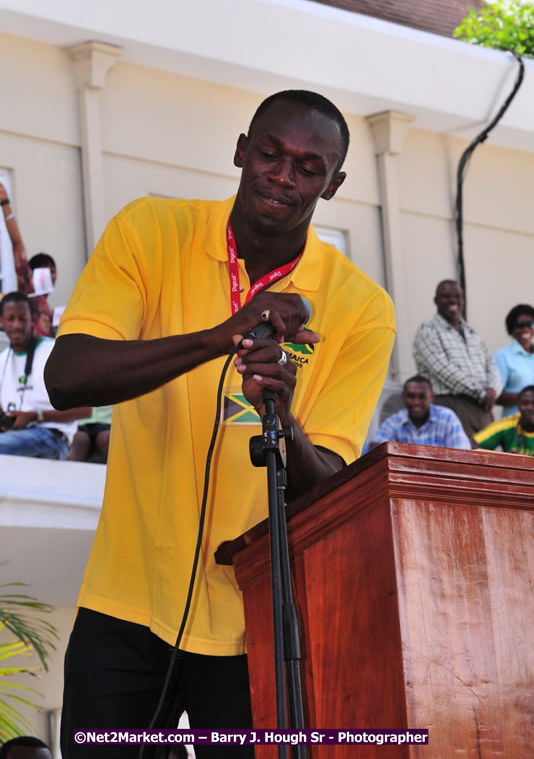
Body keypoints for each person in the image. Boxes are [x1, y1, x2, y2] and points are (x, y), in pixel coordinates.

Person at [44, 89, 396, 757]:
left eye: (308, 167)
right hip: (125, 604)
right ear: (240, 151)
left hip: (257, 622)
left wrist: (284, 418)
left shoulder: (362, 307)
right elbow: (67, 377)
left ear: (333, 184)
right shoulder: (149, 230)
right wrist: (220, 336)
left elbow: (329, 484)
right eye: (270, 153)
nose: (283, 175)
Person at [0, 291, 90, 458]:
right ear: (1, 321)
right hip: (13, 437)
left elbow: (86, 410)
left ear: (32, 319)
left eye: (22, 319)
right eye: (10, 319)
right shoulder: (2, 360)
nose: (17, 325)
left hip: (52, 436)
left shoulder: (53, 351)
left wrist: (36, 416)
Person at [412, 279, 502, 439]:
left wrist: (493, 390)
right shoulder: (427, 329)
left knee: (487, 454)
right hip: (450, 405)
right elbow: (443, 370)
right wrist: (482, 392)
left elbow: (491, 364)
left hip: (482, 407)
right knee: (462, 453)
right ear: (436, 300)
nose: (453, 300)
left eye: (457, 296)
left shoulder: (471, 332)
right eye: (446, 296)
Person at [0, 182, 56, 337]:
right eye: (47, 271)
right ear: (32, 273)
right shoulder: (29, 290)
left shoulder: (43, 304)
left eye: (53, 271)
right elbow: (17, 245)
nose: (52, 276)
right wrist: (5, 203)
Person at [369, 374, 470, 450]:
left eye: (422, 397)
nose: (416, 402)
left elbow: (462, 454)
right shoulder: (395, 421)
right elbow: (375, 447)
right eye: (411, 396)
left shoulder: (447, 417)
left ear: (432, 397)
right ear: (403, 397)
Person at [493, 304, 534, 417]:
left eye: (530, 324)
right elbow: (496, 396)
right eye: (520, 325)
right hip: (515, 422)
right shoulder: (502, 356)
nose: (525, 329)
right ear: (512, 329)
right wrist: (526, 398)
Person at [473, 385, 534, 456]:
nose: (530, 408)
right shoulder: (508, 424)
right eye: (525, 403)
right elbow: (472, 445)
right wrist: (503, 458)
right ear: (518, 404)